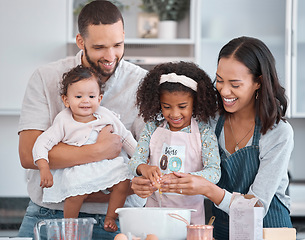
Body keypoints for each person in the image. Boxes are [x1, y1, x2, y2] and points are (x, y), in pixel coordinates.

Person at [131, 36, 294, 239]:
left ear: (258, 82)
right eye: (219, 80)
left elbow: (257, 206)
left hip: (268, 230)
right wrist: (142, 180)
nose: (224, 91)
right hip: (221, 230)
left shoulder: (277, 133)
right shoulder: (210, 121)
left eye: (235, 84)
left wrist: (208, 189)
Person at [18, 1, 147, 239]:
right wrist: (100, 150)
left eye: (118, 45)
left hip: (118, 216)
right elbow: (29, 154)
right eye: (99, 47)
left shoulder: (141, 84)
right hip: (50, 213)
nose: (110, 56)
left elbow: (144, 158)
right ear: (81, 41)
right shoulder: (45, 78)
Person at [33, 65, 137, 232]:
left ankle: (111, 217)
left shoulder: (105, 115)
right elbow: (42, 143)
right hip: (79, 168)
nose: (85, 100)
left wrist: (140, 162)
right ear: (66, 100)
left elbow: (125, 137)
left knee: (123, 184)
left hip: (105, 165)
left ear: (99, 98)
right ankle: (69, 226)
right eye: (79, 96)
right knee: (75, 195)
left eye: (91, 96)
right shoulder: (64, 120)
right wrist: (43, 167)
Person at [128, 61, 221, 224]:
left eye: (182, 106)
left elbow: (214, 172)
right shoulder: (152, 128)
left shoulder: (204, 132)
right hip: (154, 212)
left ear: (195, 103)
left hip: (190, 216)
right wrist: (144, 168)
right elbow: (135, 161)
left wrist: (186, 178)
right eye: (167, 106)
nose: (174, 113)